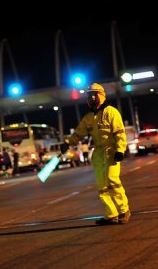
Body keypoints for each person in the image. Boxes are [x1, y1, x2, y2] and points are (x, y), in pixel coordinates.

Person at [60, 83, 131, 225]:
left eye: (94, 95)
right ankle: (111, 214)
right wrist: (68, 143)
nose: (92, 98)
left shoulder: (111, 112)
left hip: (111, 151)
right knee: (102, 185)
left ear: (102, 96)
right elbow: (79, 133)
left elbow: (119, 133)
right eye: (89, 95)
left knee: (112, 180)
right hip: (98, 153)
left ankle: (124, 210)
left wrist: (120, 150)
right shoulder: (88, 118)